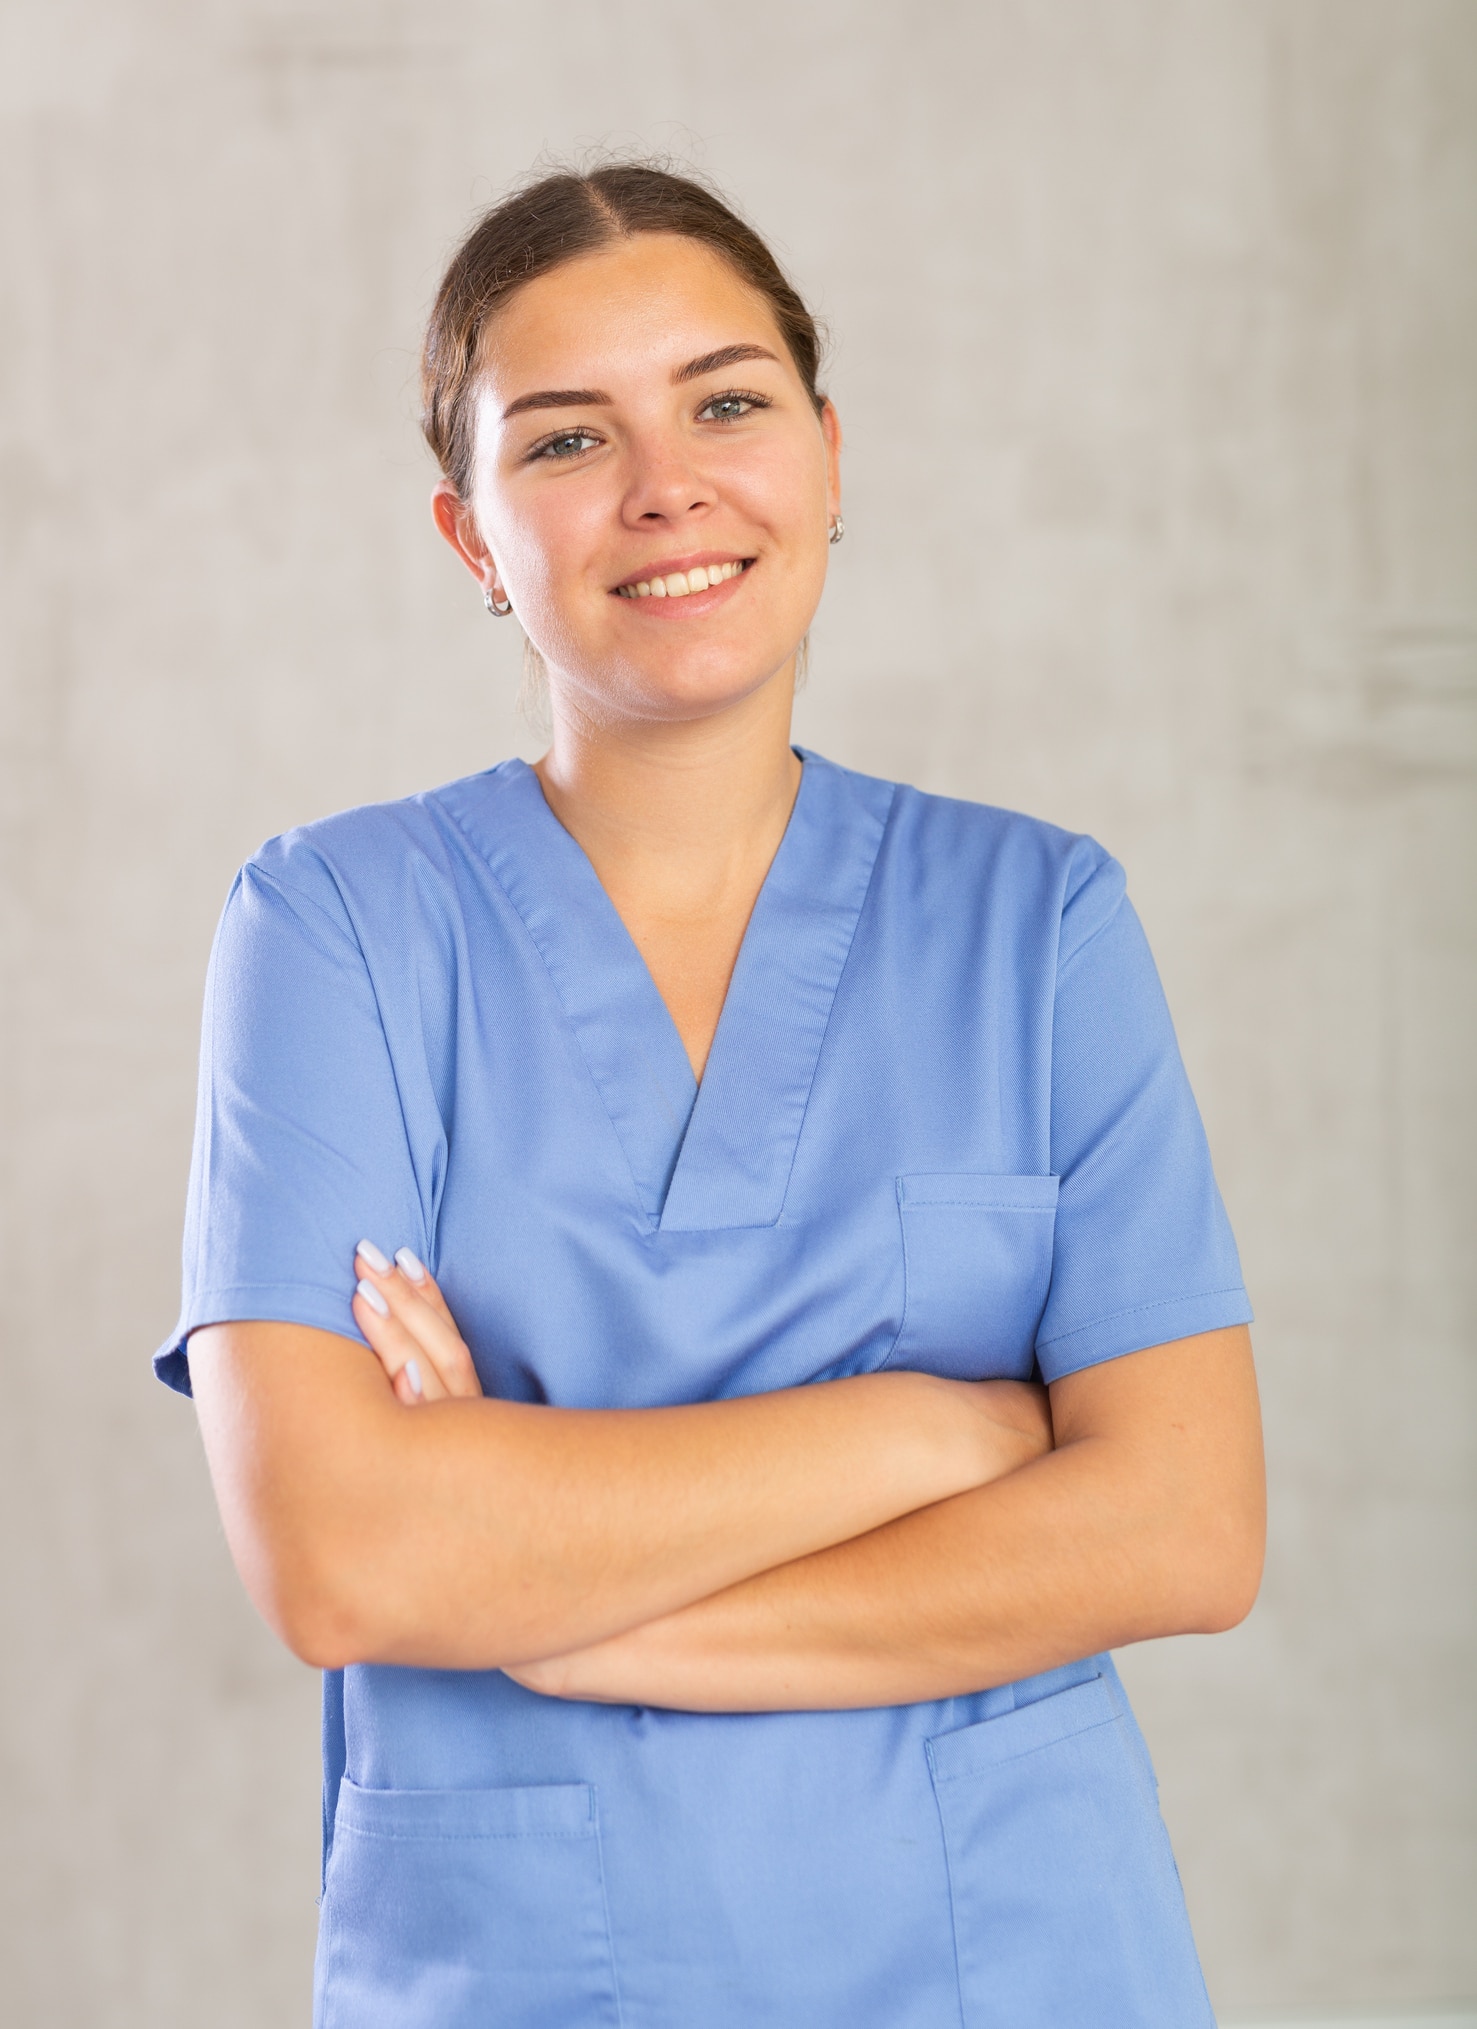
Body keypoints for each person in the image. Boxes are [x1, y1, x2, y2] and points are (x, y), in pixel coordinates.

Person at [157, 161, 1265, 2028]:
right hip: (519, 1975)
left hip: (1013, 1961)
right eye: (568, 438)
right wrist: (936, 1432)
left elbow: (1184, 1529)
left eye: (727, 401)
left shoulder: (1036, 921)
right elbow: (346, 1561)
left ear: (829, 455)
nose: (667, 485)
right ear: (470, 537)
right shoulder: (333, 928)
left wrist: (564, 1605)